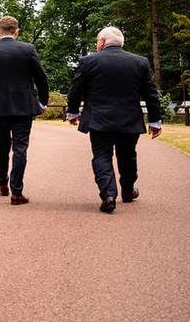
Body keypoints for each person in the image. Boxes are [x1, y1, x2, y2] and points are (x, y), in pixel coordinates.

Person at [66, 26, 163, 213]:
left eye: (97, 41)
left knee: (101, 156)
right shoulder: (140, 62)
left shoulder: (88, 61)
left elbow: (75, 89)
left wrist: (72, 112)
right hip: (129, 119)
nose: (96, 44)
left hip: (98, 120)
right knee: (127, 156)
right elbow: (151, 94)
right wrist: (155, 120)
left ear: (102, 42)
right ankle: (127, 191)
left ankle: (109, 195)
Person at [0, 16, 49, 205]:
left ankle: (2, 182)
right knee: (20, 147)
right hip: (24, 106)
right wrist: (43, 102)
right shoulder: (28, 50)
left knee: (2, 145)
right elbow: (41, 78)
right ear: (17, 32)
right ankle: (17, 191)